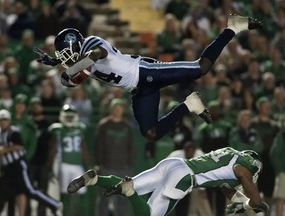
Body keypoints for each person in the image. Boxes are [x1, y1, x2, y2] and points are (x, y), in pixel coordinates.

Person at [34, 14, 262, 142]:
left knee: (201, 68)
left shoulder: (92, 43)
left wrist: (68, 68)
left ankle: (232, 27)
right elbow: (71, 80)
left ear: (74, 45)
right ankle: (190, 105)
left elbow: (93, 58)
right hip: (139, 88)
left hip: (145, 72)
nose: (65, 58)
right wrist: (59, 65)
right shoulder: (81, 60)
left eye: (65, 53)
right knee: (150, 133)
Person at [67, 147, 270, 216]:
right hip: (183, 178)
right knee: (147, 213)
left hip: (173, 164)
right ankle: (129, 192)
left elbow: (228, 190)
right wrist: (256, 202)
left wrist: (242, 204)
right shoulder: (245, 167)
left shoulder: (230, 157)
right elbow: (245, 177)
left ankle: (94, 179)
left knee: (125, 184)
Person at [0, 109, 61, 216]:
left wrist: (2, 150)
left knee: (30, 190)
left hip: (18, 166)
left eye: (5, 120)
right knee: (1, 195)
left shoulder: (13, 132)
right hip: (7, 169)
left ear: (9, 121)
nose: (3, 123)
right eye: (1, 120)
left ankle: (54, 204)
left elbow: (20, 146)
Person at [48, 104, 92, 216]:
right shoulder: (58, 129)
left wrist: (89, 164)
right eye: (67, 116)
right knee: (64, 193)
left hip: (77, 165)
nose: (69, 119)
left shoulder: (80, 128)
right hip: (64, 165)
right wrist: (50, 166)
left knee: (83, 193)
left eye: (71, 116)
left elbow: (83, 148)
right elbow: (52, 149)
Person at [94, 98, 135, 216]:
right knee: (104, 198)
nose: (118, 110)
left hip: (123, 169)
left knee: (123, 200)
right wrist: (100, 164)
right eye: (115, 108)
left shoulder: (127, 126)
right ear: (111, 109)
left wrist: (129, 166)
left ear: (123, 110)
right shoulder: (103, 125)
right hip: (107, 167)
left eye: (120, 108)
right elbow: (98, 146)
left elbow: (131, 148)